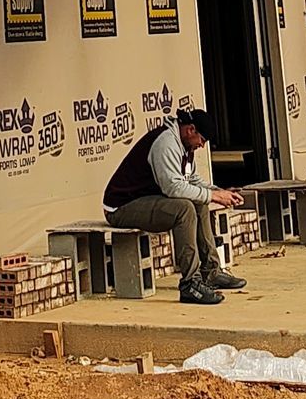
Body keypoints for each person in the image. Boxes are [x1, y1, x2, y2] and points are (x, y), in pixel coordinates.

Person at [103, 106, 250, 305]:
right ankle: (190, 283)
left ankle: (211, 272)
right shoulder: (166, 143)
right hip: (121, 208)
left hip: (145, 201)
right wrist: (213, 196)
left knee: (200, 203)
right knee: (184, 209)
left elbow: (192, 181)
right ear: (190, 130)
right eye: (202, 140)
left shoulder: (184, 146)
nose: (202, 146)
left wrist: (220, 191)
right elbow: (173, 188)